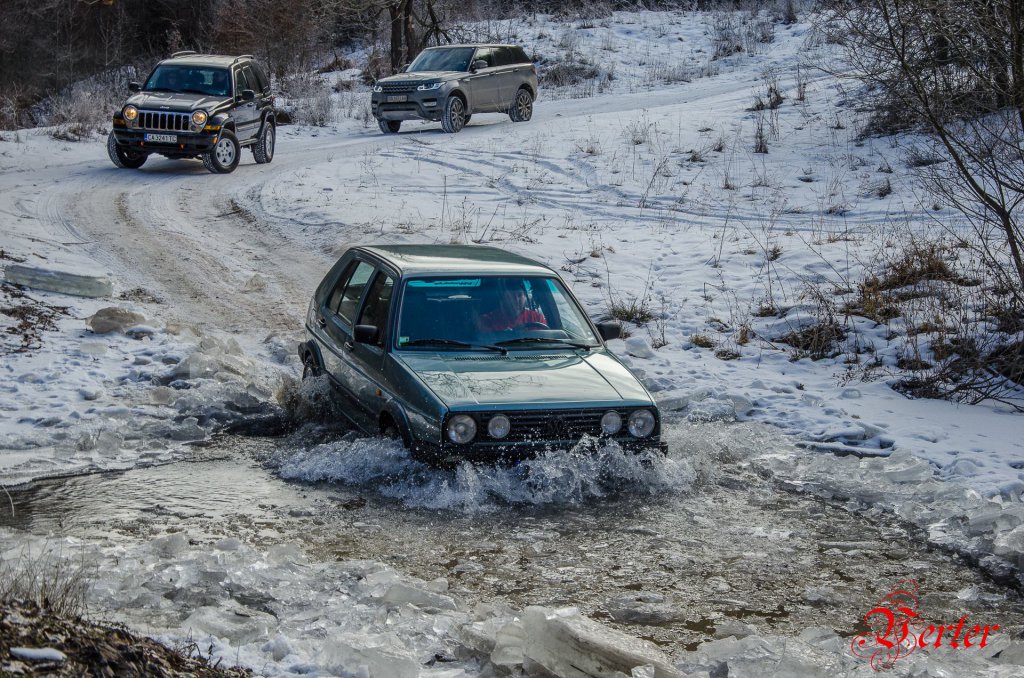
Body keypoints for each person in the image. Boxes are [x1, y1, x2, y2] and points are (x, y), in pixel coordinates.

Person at [479, 281, 546, 332]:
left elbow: (546, 342)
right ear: (503, 299)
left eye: (520, 295)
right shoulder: (487, 320)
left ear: (525, 297)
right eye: (511, 297)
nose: (517, 300)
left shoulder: (537, 318)